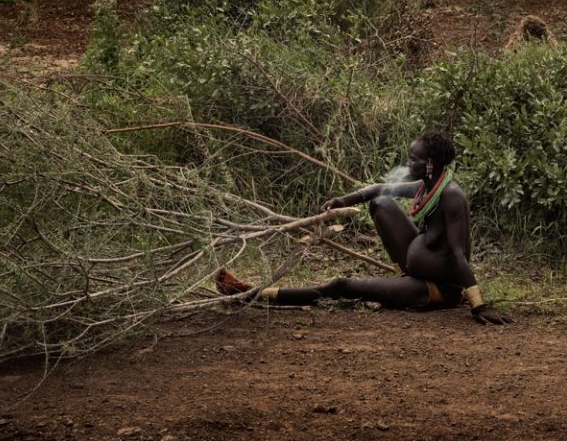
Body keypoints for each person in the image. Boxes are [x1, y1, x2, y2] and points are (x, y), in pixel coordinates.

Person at [216, 131, 511, 325]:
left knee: (341, 286)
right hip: (418, 269)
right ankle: (404, 275)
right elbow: (381, 187)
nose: (408, 163)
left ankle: (249, 294)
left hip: (436, 288)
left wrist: (478, 305)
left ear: (431, 163)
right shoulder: (427, 186)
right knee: (381, 203)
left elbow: (459, 255)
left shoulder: (451, 196)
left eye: (414, 159)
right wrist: (344, 199)